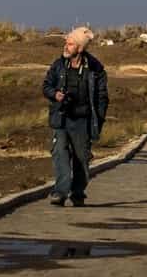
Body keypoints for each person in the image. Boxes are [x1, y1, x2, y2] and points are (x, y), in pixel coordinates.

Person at [41, 26, 108, 206]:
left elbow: (102, 97)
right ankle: (60, 192)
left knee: (82, 158)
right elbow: (46, 85)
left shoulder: (95, 68)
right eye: (66, 43)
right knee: (60, 154)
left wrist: (98, 121)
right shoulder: (58, 65)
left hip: (82, 121)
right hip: (61, 118)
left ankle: (78, 192)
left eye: (70, 44)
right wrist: (55, 95)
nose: (66, 46)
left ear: (79, 48)